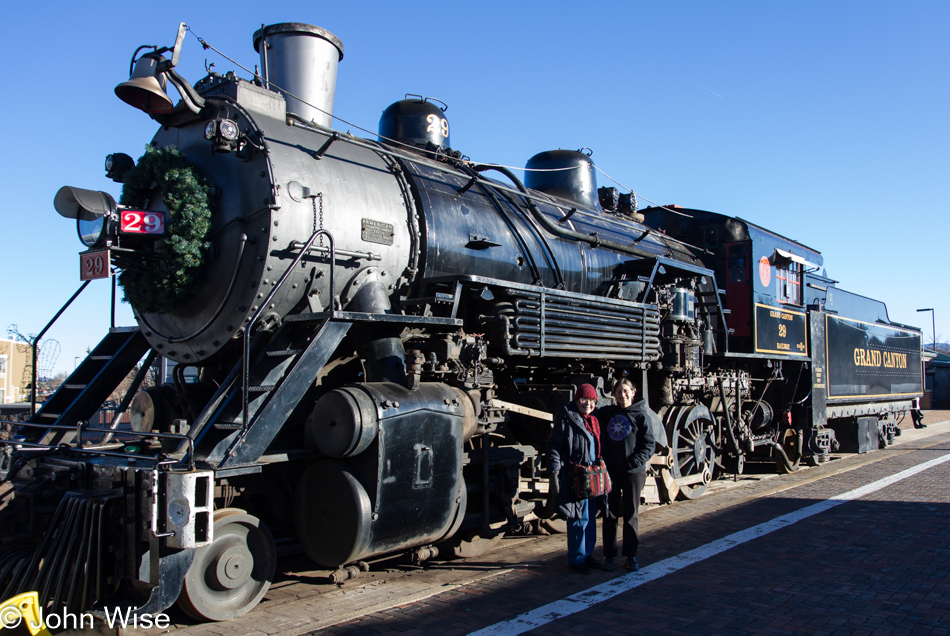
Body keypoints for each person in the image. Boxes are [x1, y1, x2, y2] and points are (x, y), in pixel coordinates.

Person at [597, 378, 658, 572]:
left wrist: (633, 462)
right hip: (612, 472)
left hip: (633, 472)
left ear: (633, 392)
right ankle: (609, 556)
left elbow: (648, 444)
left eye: (625, 391)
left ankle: (631, 556)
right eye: (618, 391)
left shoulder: (641, 415)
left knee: (631, 515)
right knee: (609, 515)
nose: (621, 395)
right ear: (613, 394)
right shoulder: (608, 413)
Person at [547, 383, 603, 574]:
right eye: (584, 399)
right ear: (577, 400)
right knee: (578, 517)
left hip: (593, 476)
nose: (588, 404)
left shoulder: (594, 420)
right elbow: (554, 446)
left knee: (590, 517)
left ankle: (587, 554)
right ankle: (576, 558)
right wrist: (554, 471)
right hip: (576, 476)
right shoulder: (566, 419)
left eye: (591, 400)